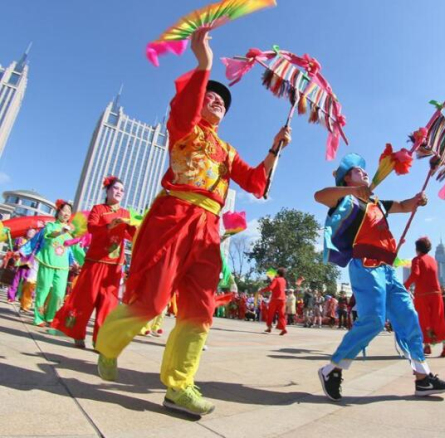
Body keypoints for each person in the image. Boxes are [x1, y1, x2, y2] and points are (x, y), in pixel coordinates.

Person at [94, 29, 292, 417]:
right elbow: (184, 107)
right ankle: (108, 343)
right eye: (210, 96)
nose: (217, 100)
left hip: (208, 229)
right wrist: (204, 63)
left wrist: (273, 148)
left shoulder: (226, 149)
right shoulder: (183, 128)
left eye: (223, 101)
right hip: (173, 217)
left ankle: (179, 385)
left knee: (200, 309)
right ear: (198, 102)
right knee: (151, 301)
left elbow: (255, 182)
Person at [315, 153, 445, 401]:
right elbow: (319, 196)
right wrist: (353, 191)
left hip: (388, 269)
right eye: (358, 170)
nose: (364, 172)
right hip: (365, 265)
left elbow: (402, 206)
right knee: (374, 320)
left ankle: (423, 378)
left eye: (364, 170)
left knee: (409, 316)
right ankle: (332, 369)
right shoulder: (347, 201)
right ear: (347, 177)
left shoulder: (377, 203)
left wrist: (417, 199)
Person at [51, 177, 136, 349]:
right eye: (116, 188)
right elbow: (91, 228)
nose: (119, 192)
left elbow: (133, 234)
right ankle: (77, 333)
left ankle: (100, 340)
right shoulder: (98, 209)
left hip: (115, 266)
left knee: (108, 304)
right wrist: (108, 226)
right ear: (108, 191)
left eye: (122, 190)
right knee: (85, 299)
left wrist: (137, 225)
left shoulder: (126, 214)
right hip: (95, 262)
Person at [404, 236, 445, 357]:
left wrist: (405, 286)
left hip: (422, 294)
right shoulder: (433, 260)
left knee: (423, 320)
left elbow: (415, 274)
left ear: (417, 248)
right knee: (438, 318)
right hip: (436, 293)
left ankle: (427, 346)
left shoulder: (417, 259)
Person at [33, 200, 76, 327]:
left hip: (63, 266)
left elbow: (75, 248)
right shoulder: (50, 226)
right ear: (58, 212)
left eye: (69, 211)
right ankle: (38, 318)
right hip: (47, 261)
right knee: (43, 290)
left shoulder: (71, 232)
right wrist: (60, 232)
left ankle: (51, 317)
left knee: (58, 293)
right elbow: (49, 235)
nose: (67, 213)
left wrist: (81, 261)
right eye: (64, 210)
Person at [260, 268, 288, 335]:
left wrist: (262, 290)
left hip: (275, 299)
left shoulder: (276, 279)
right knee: (281, 315)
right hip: (283, 299)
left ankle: (269, 327)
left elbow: (271, 288)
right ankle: (283, 329)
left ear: (278, 273)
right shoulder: (284, 280)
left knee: (270, 313)